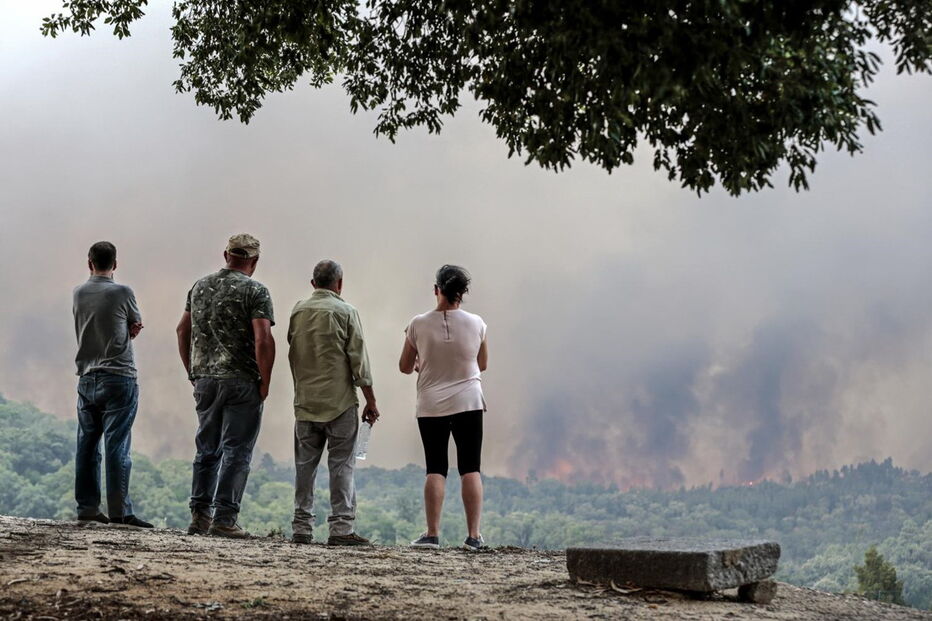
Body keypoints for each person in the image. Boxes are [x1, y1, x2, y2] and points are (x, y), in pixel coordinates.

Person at [176, 234, 275, 539]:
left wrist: (193, 372)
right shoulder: (256, 291)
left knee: (206, 448)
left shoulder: (200, 286)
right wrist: (265, 382)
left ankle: (199, 516)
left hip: (205, 379)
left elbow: (182, 330)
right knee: (237, 450)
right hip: (241, 381)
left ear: (226, 254)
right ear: (254, 261)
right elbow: (263, 340)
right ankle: (225, 519)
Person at [288, 259, 379, 546]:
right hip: (340, 404)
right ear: (339, 284)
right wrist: (371, 401)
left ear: (313, 283)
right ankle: (341, 529)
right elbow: (359, 363)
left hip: (305, 404)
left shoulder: (298, 311)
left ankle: (301, 527)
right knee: (341, 466)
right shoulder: (347, 311)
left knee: (305, 467)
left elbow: (293, 349)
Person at [399, 265, 488, 551]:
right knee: (470, 467)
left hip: (431, 404)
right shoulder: (477, 323)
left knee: (435, 467)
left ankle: (432, 534)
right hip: (469, 401)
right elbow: (481, 364)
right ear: (462, 293)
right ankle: (473, 536)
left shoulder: (418, 324)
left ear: (436, 289)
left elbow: (404, 366)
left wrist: (419, 365)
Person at [72, 241, 152, 528]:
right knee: (117, 444)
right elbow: (135, 325)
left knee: (87, 444)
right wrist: (129, 329)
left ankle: (87, 508)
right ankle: (120, 512)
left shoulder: (78, 293)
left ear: (89, 262)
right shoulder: (122, 292)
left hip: (87, 376)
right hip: (119, 376)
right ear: (115, 264)